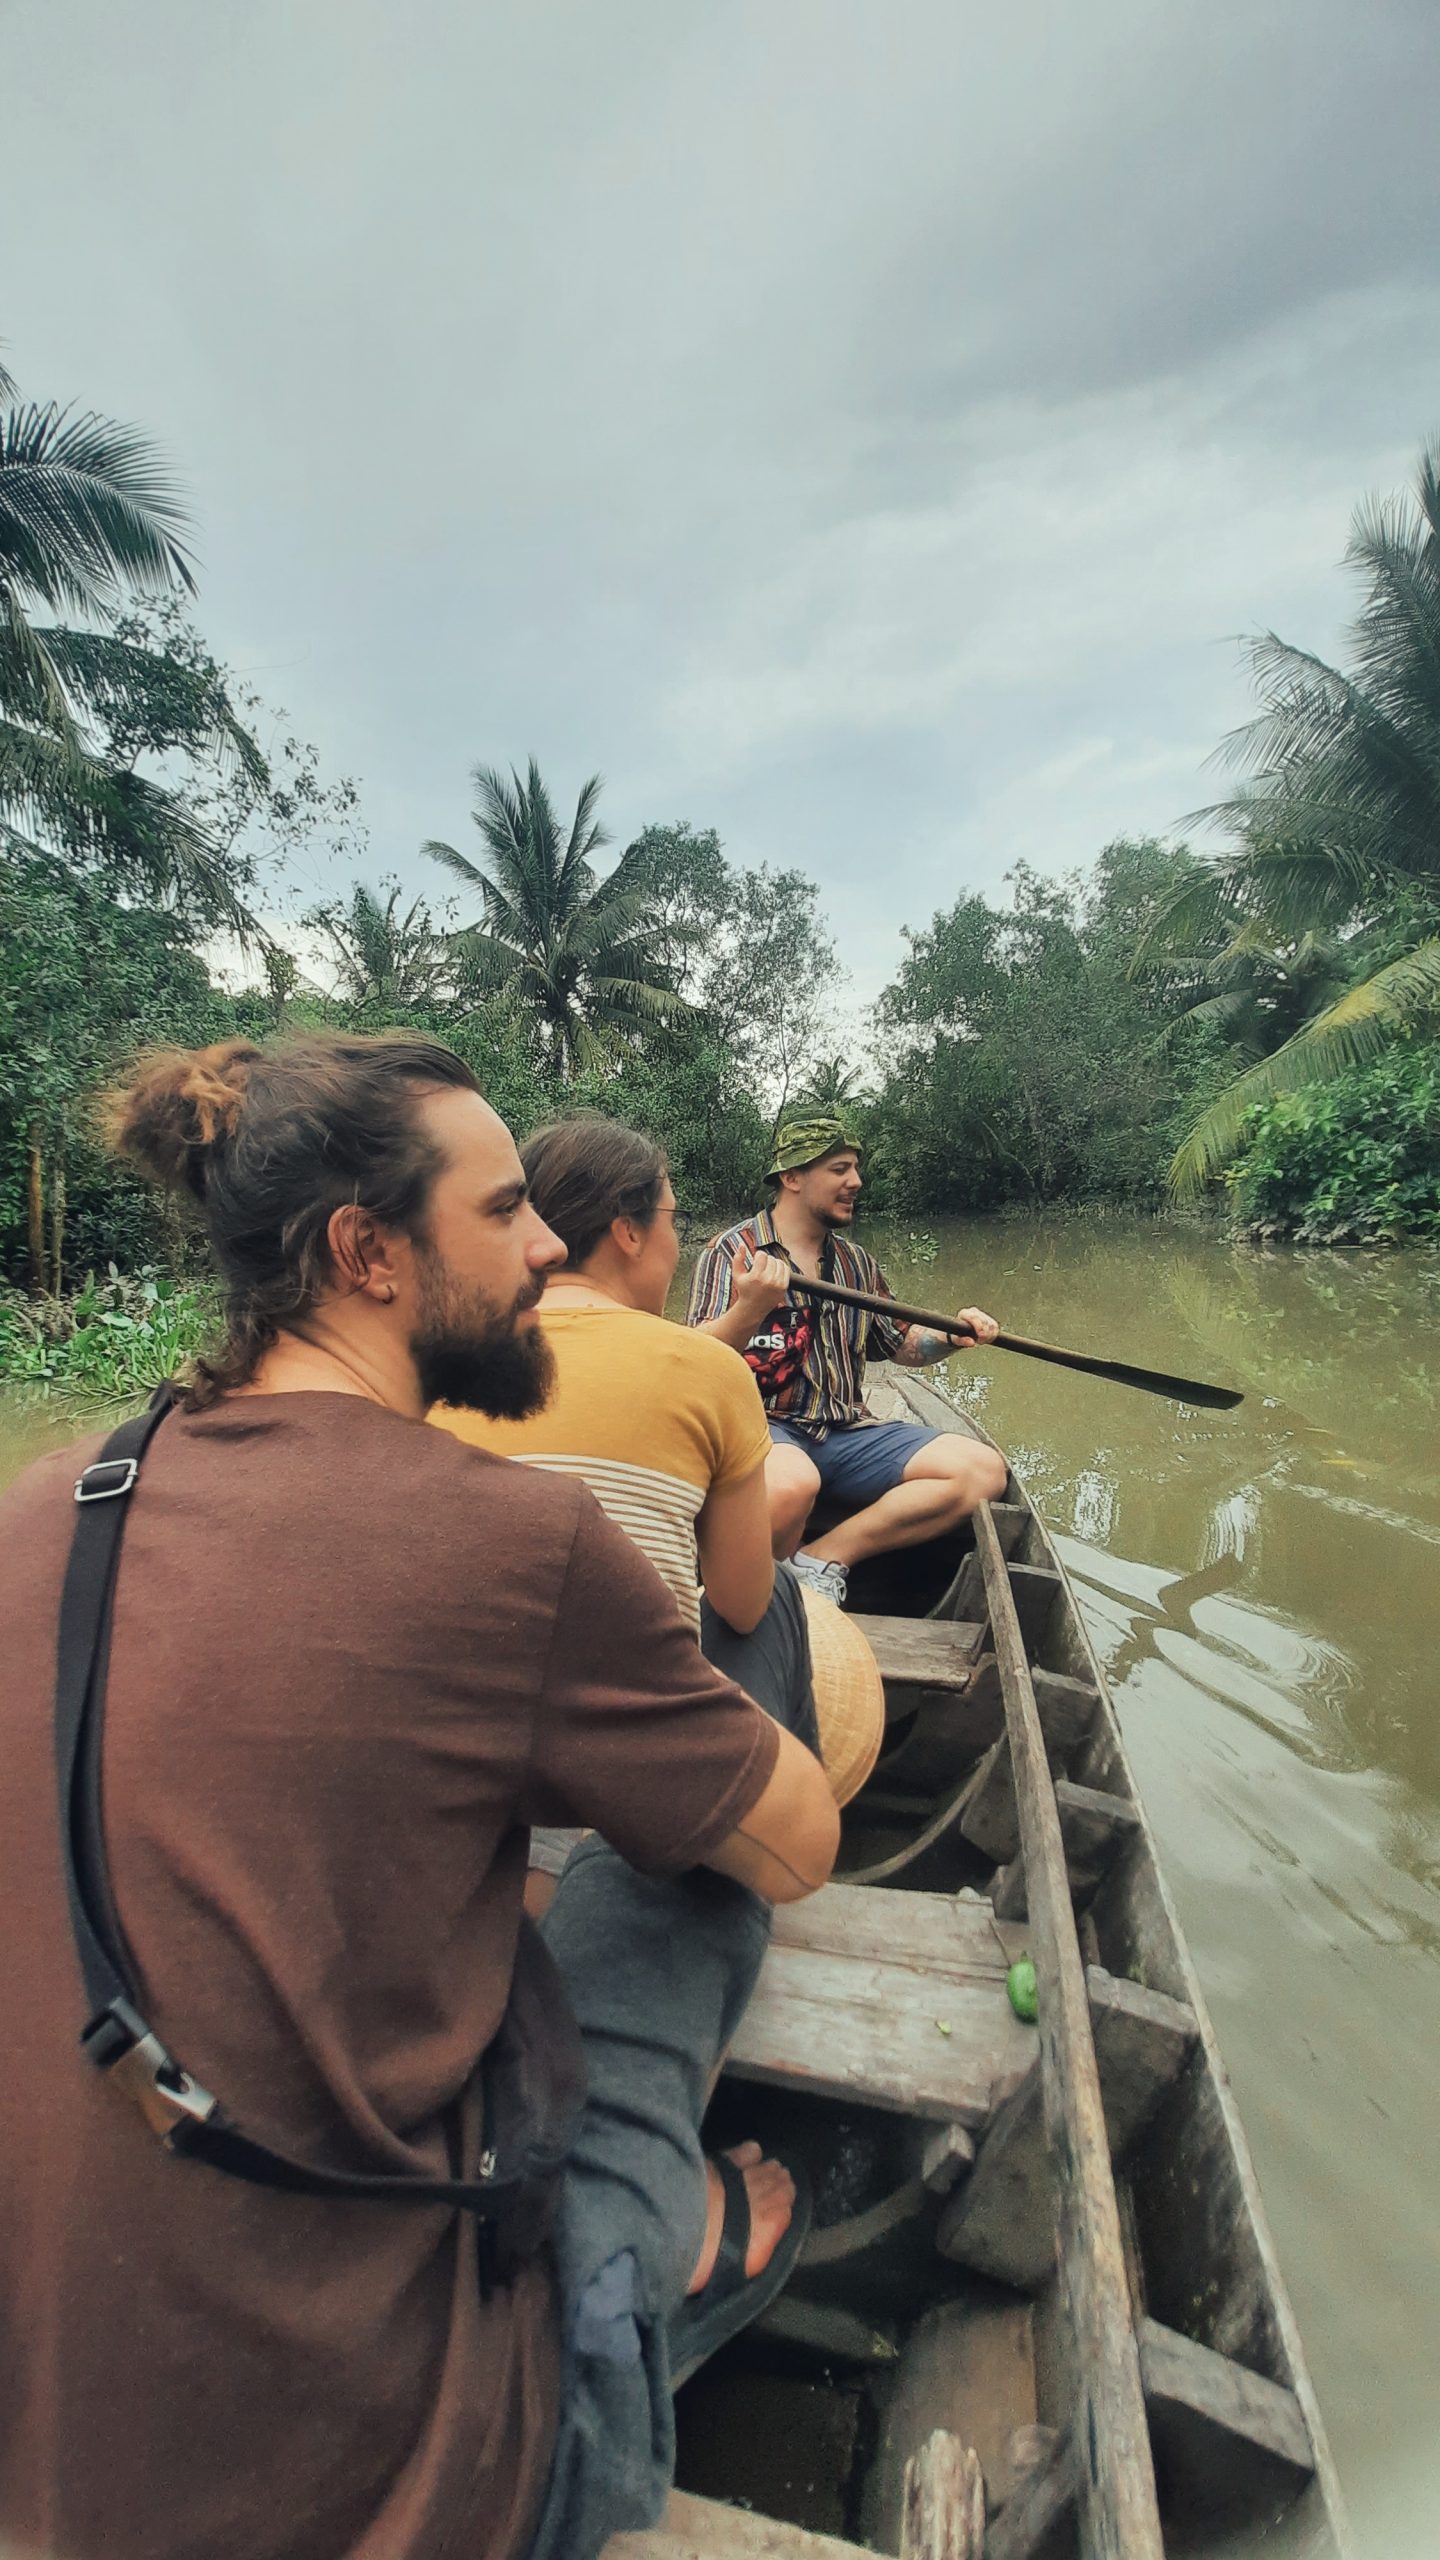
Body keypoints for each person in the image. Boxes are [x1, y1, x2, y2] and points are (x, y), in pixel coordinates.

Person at [0, 1033, 840, 2560]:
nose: (544, 1252)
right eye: (509, 1211)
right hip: (426, 2490)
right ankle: (674, 2234)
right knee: (667, 1915)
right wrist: (730, 1672)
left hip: (61, 2474)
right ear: (365, 1253)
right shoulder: (508, 1541)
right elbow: (799, 1848)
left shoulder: (49, 1501)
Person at [432, 1117, 885, 1816]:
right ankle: (770, 1808)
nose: (680, 1244)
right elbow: (741, 1605)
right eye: (671, 1219)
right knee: (777, 1594)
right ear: (628, 1232)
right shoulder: (708, 1364)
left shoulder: (438, 1356)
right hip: (625, 1748)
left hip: (466, 1732)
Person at [687, 1112, 1008, 1606]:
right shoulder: (732, 1252)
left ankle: (821, 1558)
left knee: (983, 1471)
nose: (855, 1182)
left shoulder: (857, 1264)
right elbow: (694, 1362)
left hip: (844, 1433)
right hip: (762, 1430)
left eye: (855, 1168)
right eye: (839, 1169)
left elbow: (898, 1345)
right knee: (792, 1482)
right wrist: (751, 1306)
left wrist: (950, 1336)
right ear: (791, 1178)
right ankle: (747, 1607)